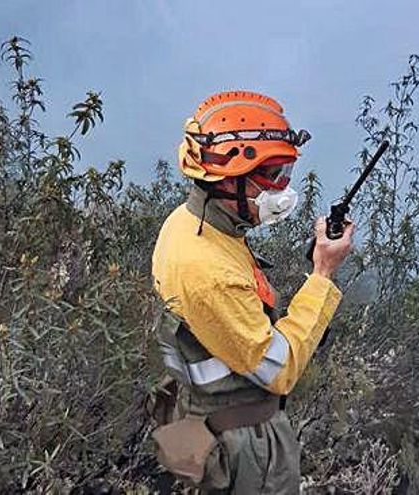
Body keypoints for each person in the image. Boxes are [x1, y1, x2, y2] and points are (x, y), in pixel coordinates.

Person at [149, 90, 354, 494]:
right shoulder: (208, 270)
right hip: (242, 446)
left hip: (205, 419)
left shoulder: (190, 224)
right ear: (227, 178)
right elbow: (278, 372)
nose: (282, 186)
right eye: (272, 174)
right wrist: (323, 274)